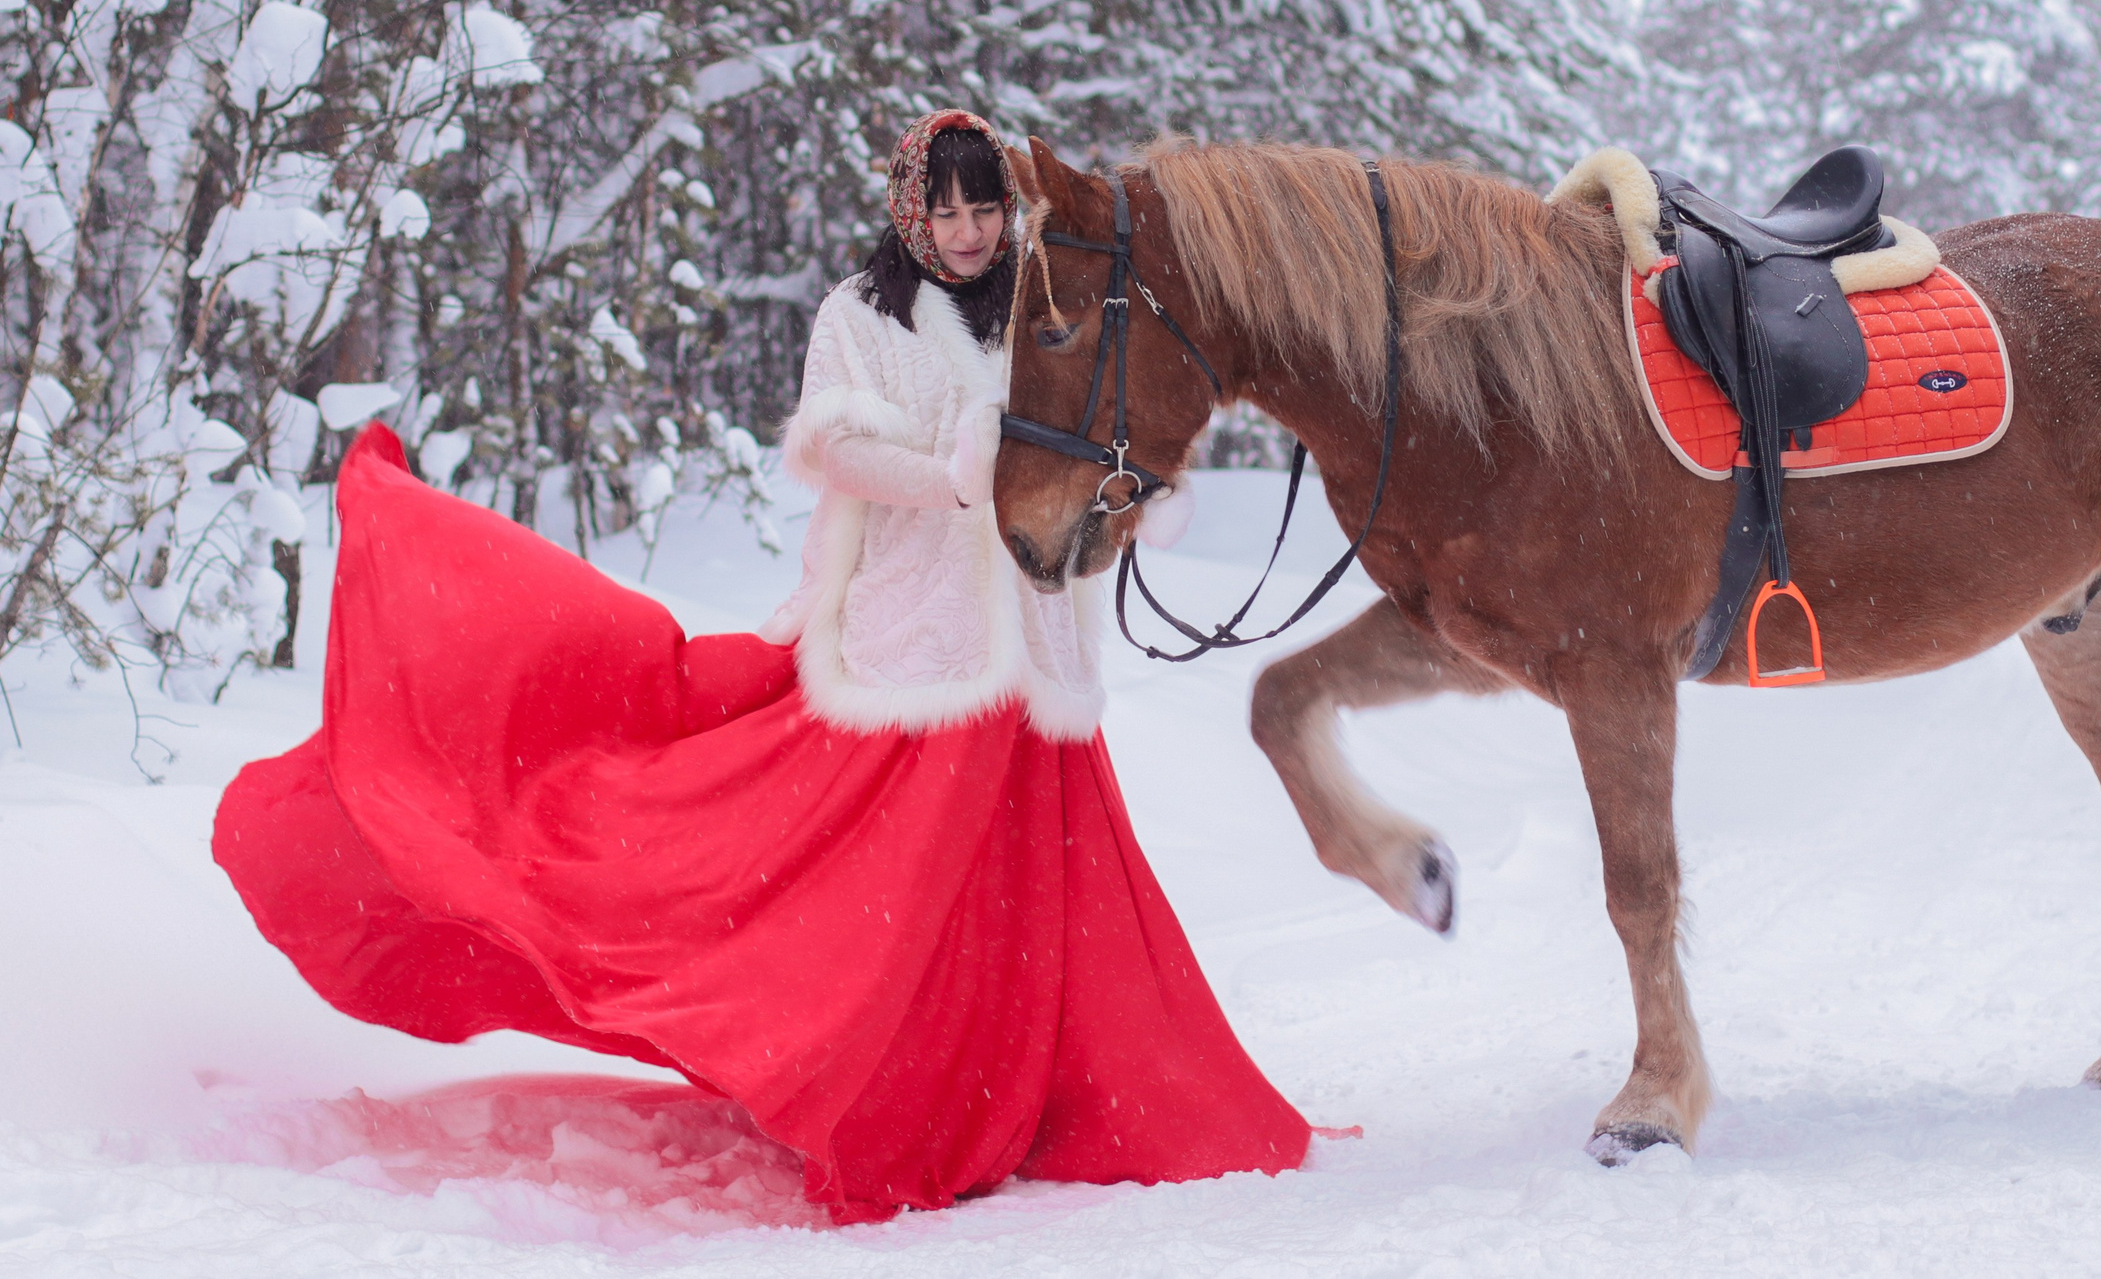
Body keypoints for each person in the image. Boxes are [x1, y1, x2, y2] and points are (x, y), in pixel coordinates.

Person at [213, 109, 1310, 1224]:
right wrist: (954, 476)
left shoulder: (1051, 298)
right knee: (900, 900)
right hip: (911, 633)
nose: (973, 229)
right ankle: (900, 1097)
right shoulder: (861, 314)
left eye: (986, 207)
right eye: (949, 208)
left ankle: (1040, 1096)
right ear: (911, 211)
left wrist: (1133, 489)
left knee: (1035, 900)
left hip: (1036, 638)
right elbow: (836, 449)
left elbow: (1104, 421)